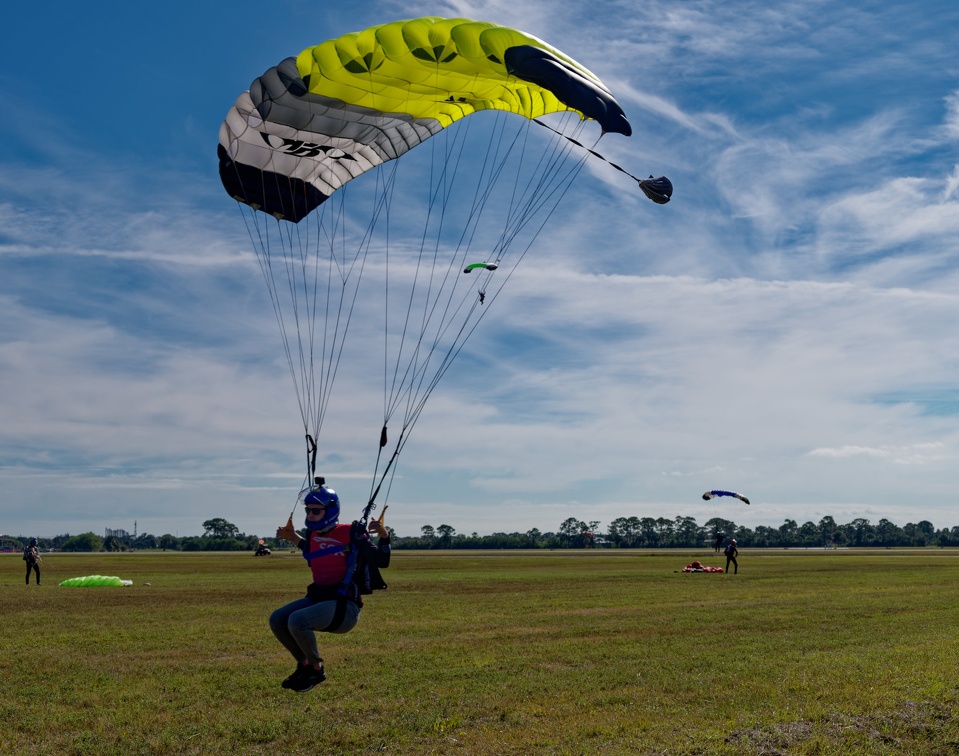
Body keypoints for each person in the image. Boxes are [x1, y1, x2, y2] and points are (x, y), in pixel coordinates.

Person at [269, 481, 390, 693]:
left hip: (344, 607)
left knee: (297, 620)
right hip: (319, 598)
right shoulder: (313, 535)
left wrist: (383, 535)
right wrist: (291, 536)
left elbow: (382, 560)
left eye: (316, 511)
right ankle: (305, 666)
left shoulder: (352, 532)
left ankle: (316, 670)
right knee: (278, 619)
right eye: (308, 510)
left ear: (330, 510)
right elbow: (310, 549)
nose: (310, 515)